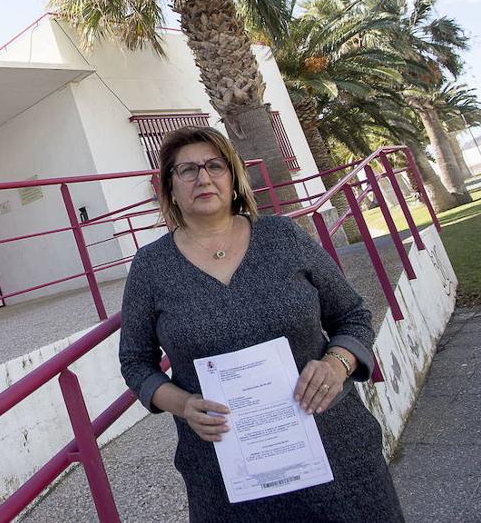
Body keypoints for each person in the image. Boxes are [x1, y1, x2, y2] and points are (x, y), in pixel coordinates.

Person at [119, 125, 404, 522]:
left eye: (214, 165)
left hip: (336, 452)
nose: (203, 177)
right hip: (226, 474)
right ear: (169, 187)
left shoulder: (283, 236)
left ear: (233, 177)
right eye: (187, 170)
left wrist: (337, 364)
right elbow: (135, 362)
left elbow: (352, 315)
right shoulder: (151, 267)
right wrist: (183, 405)